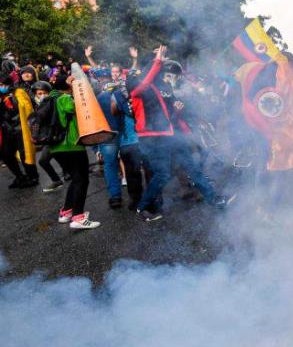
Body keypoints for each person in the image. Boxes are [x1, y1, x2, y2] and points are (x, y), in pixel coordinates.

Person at [129, 46, 229, 221]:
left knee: (193, 168)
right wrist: (157, 60)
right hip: (153, 138)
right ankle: (142, 207)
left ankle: (214, 199)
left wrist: (177, 111)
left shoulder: (163, 86)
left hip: (171, 135)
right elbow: (140, 87)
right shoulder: (135, 81)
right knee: (163, 174)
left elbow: (167, 115)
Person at [48, 73, 100, 229]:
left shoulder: (50, 98)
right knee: (82, 179)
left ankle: (66, 212)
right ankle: (78, 216)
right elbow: (81, 107)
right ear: (68, 85)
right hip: (71, 144)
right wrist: (77, 88)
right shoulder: (65, 99)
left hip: (56, 147)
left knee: (75, 179)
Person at [96, 77, 143, 210]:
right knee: (131, 165)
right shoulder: (122, 93)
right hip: (124, 134)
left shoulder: (99, 97)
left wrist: (96, 147)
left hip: (107, 133)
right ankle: (137, 196)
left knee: (110, 165)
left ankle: (115, 197)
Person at [0, 73, 39, 188]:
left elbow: (26, 109)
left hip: (21, 128)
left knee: (25, 153)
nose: (1, 87)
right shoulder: (2, 97)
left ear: (8, 84)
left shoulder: (19, 93)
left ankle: (33, 177)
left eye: (2, 84)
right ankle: (19, 176)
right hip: (8, 129)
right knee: (6, 154)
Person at [31, 81, 64, 191]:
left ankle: (61, 178)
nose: (42, 95)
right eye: (39, 93)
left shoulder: (52, 102)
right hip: (48, 138)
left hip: (54, 136)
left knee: (44, 160)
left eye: (44, 93)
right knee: (45, 160)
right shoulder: (40, 105)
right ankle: (59, 179)